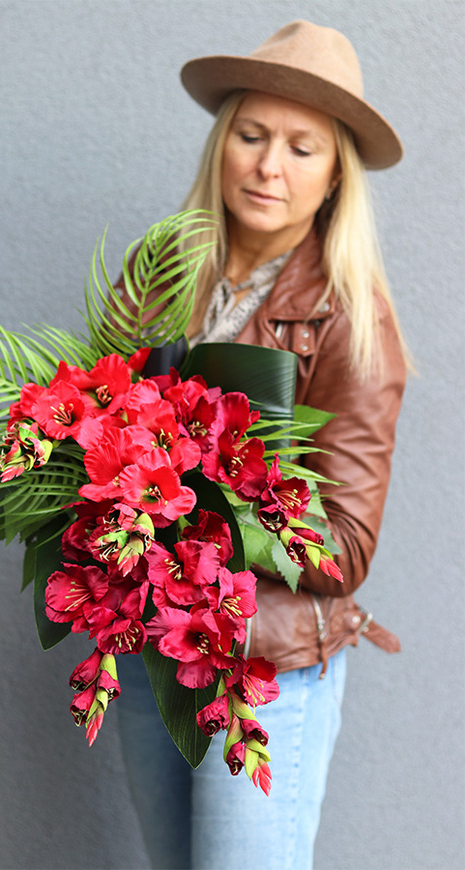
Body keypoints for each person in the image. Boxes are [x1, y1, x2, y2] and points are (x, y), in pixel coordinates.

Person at [116, 19, 408, 870]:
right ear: (221, 144)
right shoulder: (158, 271)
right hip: (150, 650)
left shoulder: (354, 324)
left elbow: (346, 547)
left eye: (301, 147)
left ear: (333, 178)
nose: (268, 165)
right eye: (251, 135)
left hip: (267, 669)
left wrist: (205, 490)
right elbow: (94, 432)